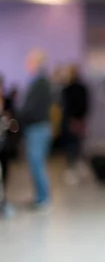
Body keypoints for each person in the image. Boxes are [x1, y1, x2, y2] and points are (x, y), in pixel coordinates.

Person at [18, 49, 53, 210]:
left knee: (37, 163)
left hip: (38, 127)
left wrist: (19, 116)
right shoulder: (38, 82)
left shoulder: (40, 83)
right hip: (37, 127)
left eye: (30, 61)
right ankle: (40, 197)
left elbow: (32, 108)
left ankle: (43, 199)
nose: (27, 65)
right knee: (36, 163)